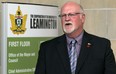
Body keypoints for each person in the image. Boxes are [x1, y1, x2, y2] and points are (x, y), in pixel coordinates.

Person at [35, 1, 116, 74]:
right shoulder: (47, 49)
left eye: (71, 14)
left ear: (82, 18)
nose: (67, 18)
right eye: (63, 15)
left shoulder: (102, 46)